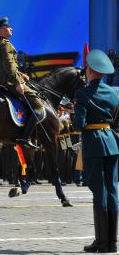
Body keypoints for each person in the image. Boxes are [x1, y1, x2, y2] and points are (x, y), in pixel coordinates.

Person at [73, 49, 118, 253]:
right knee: (113, 190)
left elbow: (78, 125)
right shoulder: (113, 93)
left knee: (99, 192)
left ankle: (101, 242)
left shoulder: (82, 93)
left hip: (93, 143)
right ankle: (112, 242)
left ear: (90, 70)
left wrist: (76, 110)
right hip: (112, 142)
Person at [0, 17, 44, 149]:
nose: (11, 28)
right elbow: (9, 66)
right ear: (2, 30)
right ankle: (25, 137)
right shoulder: (6, 44)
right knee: (38, 107)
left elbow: (0, 66)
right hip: (9, 82)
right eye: (8, 27)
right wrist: (17, 82)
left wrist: (21, 75)